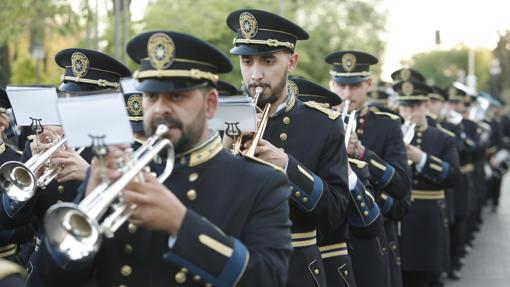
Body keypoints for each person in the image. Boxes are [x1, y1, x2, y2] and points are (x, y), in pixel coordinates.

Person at [34, 30, 293, 287]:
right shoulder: (113, 171)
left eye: (177, 96)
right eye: (151, 96)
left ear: (210, 104)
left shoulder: (263, 184)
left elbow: (268, 278)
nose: (160, 109)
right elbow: (47, 279)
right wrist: (88, 200)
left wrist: (181, 224)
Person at [225, 9, 351, 286]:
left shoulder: (324, 124)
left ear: (292, 62)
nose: (255, 75)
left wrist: (287, 167)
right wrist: (224, 148)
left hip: (297, 271)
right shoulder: (219, 119)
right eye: (247, 62)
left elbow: (336, 215)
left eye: (268, 61)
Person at [327, 51, 411, 287]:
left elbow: (402, 186)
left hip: (373, 238)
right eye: (341, 85)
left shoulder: (388, 124)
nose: (347, 94)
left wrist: (363, 154)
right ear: (331, 83)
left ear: (368, 84)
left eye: (354, 86)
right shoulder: (321, 120)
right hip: (332, 240)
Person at [395, 80, 460, 287]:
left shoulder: (443, 138)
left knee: (422, 278)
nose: (409, 112)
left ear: (425, 106)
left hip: (427, 217)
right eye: (405, 106)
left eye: (414, 107)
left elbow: (453, 177)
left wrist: (422, 158)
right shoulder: (392, 134)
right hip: (397, 216)